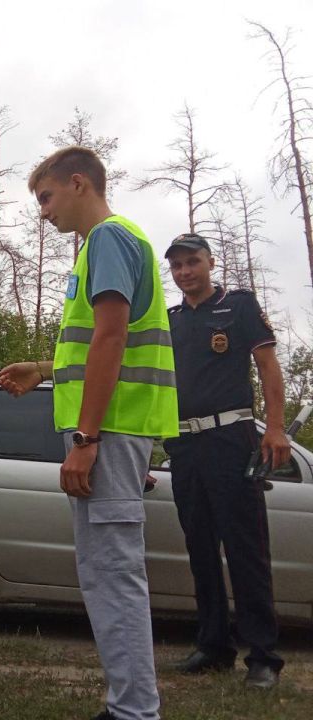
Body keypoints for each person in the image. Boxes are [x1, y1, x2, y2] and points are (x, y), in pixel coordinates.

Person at [0, 147, 177, 720]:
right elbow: (98, 345)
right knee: (104, 572)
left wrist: (87, 438)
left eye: (46, 197)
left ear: (79, 183)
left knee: (112, 573)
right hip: (114, 434)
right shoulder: (109, 246)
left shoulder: (107, 240)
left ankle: (134, 712)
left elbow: (112, 339)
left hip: (106, 434)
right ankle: (130, 705)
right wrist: (44, 370)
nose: (43, 212)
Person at [163, 233, 289, 689]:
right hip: (183, 444)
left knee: (245, 548)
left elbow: (268, 367)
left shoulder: (238, 306)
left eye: (192, 262)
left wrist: (274, 428)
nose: (184, 272)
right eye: (176, 266)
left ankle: (263, 656)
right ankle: (213, 645)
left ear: (210, 262)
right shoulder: (169, 319)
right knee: (200, 548)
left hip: (231, 439)